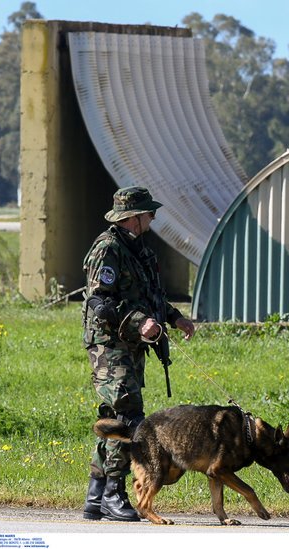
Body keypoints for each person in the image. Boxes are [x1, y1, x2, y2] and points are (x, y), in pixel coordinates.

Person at [81, 186, 195, 521]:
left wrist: (174, 318)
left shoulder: (140, 251)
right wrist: (139, 322)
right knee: (130, 418)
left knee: (112, 416)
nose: (154, 217)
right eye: (149, 212)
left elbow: (150, 297)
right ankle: (114, 494)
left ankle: (95, 495)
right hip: (109, 345)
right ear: (135, 217)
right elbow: (100, 302)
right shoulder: (108, 248)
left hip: (131, 346)